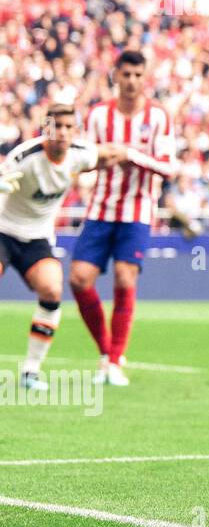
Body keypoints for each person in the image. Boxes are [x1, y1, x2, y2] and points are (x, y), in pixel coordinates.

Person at [69, 51, 179, 387]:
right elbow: (82, 159)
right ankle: (107, 351)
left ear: (145, 78)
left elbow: (169, 167)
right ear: (115, 75)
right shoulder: (99, 115)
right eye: (126, 74)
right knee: (78, 279)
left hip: (137, 212)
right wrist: (100, 159)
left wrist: (129, 154)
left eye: (137, 75)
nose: (131, 81)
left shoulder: (159, 117)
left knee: (124, 277)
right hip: (101, 209)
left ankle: (115, 361)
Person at [0, 105, 125, 391]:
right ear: (46, 129)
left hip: (37, 237)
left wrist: (136, 156)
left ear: (76, 131)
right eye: (57, 127)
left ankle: (31, 371)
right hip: (3, 230)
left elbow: (110, 154)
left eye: (69, 127)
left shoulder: (81, 153)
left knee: (52, 291)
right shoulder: (25, 156)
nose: (63, 133)